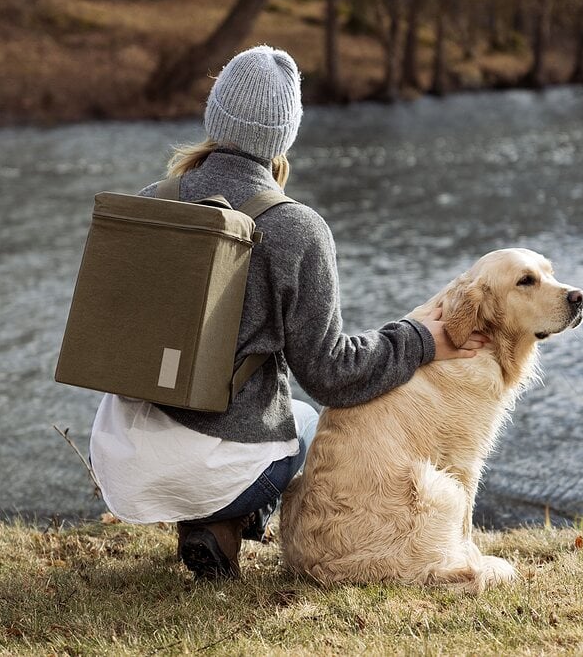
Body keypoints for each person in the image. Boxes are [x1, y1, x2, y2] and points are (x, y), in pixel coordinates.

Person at [89, 45, 489, 580]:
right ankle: (220, 522)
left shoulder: (152, 199)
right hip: (209, 470)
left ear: (216, 114)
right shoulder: (296, 228)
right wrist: (417, 339)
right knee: (301, 423)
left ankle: (210, 528)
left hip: (120, 456)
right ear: (286, 133)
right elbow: (332, 376)